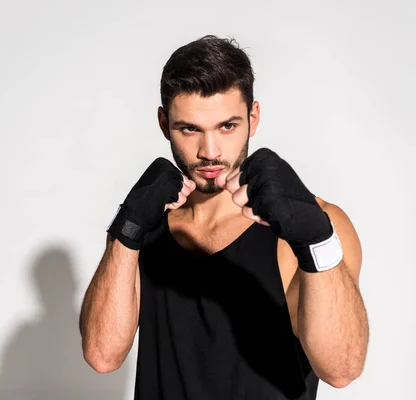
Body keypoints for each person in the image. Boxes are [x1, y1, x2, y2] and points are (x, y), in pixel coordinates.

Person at [79, 35, 369, 400]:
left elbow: (341, 369)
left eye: (227, 126)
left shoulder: (314, 226)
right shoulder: (142, 226)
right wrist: (127, 228)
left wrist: (313, 237)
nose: (210, 151)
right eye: (190, 129)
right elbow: (103, 356)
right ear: (164, 122)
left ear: (254, 118)